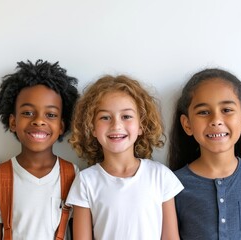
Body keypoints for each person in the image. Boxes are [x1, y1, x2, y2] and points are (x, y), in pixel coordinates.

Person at [66, 75, 184, 240]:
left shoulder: (160, 176)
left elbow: (171, 237)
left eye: (126, 116)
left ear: (141, 125)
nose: (116, 125)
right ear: (91, 127)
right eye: (105, 117)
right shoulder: (86, 181)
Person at [0, 59, 80, 240]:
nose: (39, 121)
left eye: (50, 115)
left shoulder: (72, 174)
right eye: (27, 112)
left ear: (62, 125)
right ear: (13, 122)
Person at [168, 68, 241, 239]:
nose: (216, 120)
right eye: (204, 112)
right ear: (187, 125)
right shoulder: (172, 185)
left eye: (227, 110)